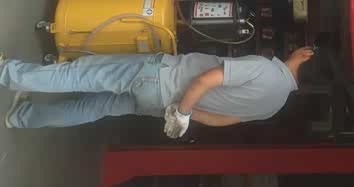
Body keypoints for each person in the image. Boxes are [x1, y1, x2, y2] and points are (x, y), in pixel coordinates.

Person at [1, 47, 315, 133]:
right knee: (94, 108)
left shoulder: (265, 69)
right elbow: (222, 120)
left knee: (80, 75)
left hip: (158, 77)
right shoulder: (273, 106)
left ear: (305, 55)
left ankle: (6, 73)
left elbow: (206, 80)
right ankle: (21, 117)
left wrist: (183, 111)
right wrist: (180, 116)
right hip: (160, 105)